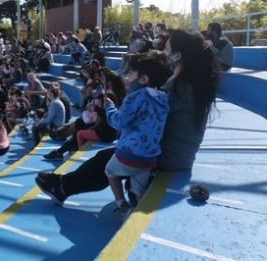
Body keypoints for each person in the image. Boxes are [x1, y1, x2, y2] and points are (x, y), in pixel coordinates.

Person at [36, 29, 220, 208]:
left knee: (107, 161)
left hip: (168, 157)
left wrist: (125, 93)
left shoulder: (178, 87)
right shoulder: (194, 82)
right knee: (112, 157)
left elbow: (136, 115)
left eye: (167, 49)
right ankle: (67, 185)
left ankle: (62, 187)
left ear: (178, 56)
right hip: (179, 155)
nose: (163, 51)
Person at [103, 51, 171, 220]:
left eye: (130, 74)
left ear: (143, 79)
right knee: (138, 189)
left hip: (129, 154)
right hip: (150, 156)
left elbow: (119, 122)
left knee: (110, 171)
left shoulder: (135, 97)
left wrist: (109, 108)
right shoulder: (163, 98)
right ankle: (139, 215)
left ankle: (121, 205)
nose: (126, 77)